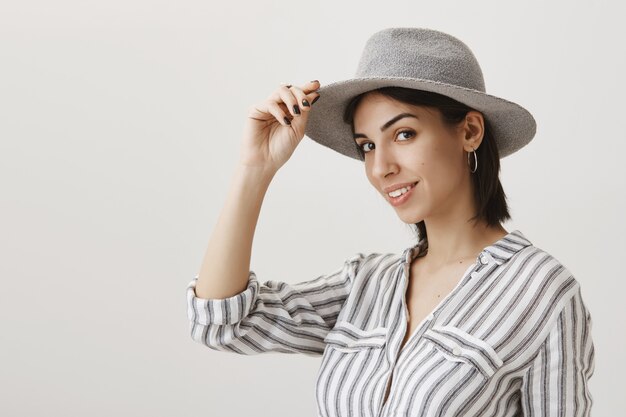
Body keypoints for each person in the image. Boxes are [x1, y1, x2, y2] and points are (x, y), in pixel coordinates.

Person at [186, 27, 595, 417]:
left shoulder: (541, 291)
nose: (380, 167)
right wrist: (254, 168)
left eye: (403, 134)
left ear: (469, 131)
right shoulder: (366, 283)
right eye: (366, 145)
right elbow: (222, 323)